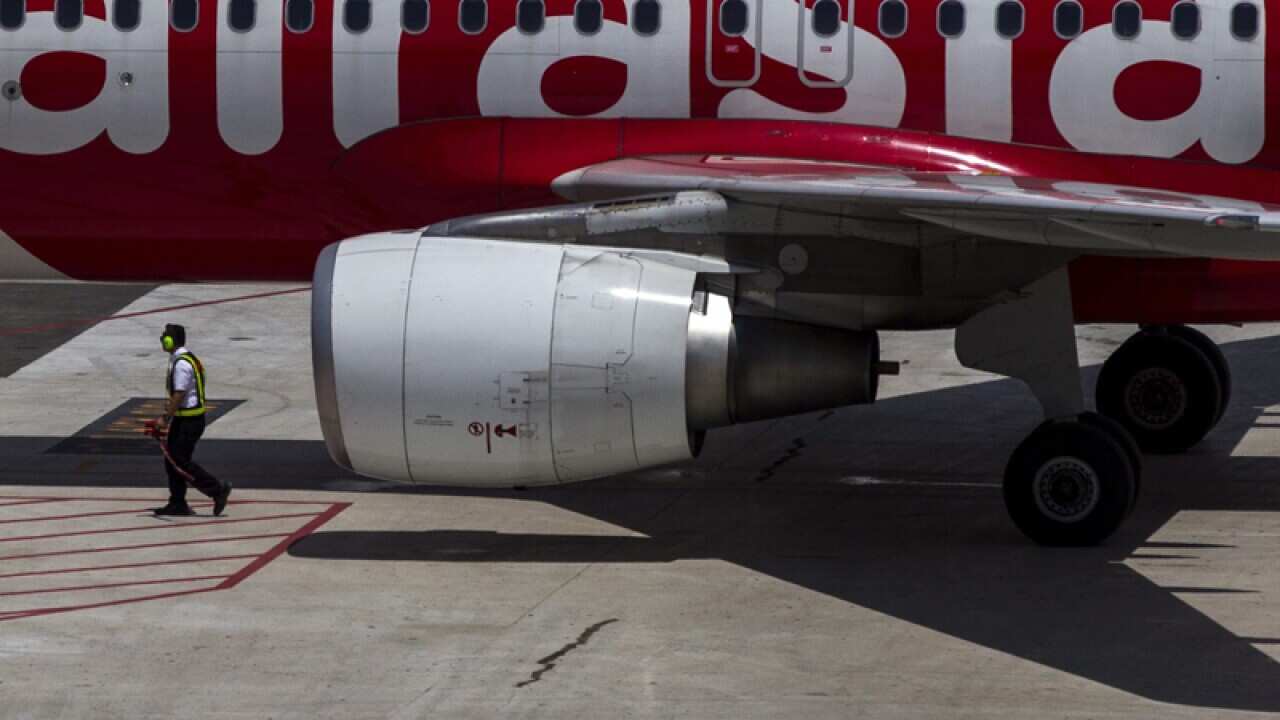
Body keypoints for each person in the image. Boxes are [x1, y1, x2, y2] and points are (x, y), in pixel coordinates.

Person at [153, 323, 231, 516]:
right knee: (172, 461)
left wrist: (164, 418)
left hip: (189, 422)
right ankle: (177, 502)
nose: (162, 339)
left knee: (180, 461)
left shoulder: (182, 364)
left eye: (165, 336)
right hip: (185, 420)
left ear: (172, 340)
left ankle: (217, 490)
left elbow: (179, 394)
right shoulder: (187, 358)